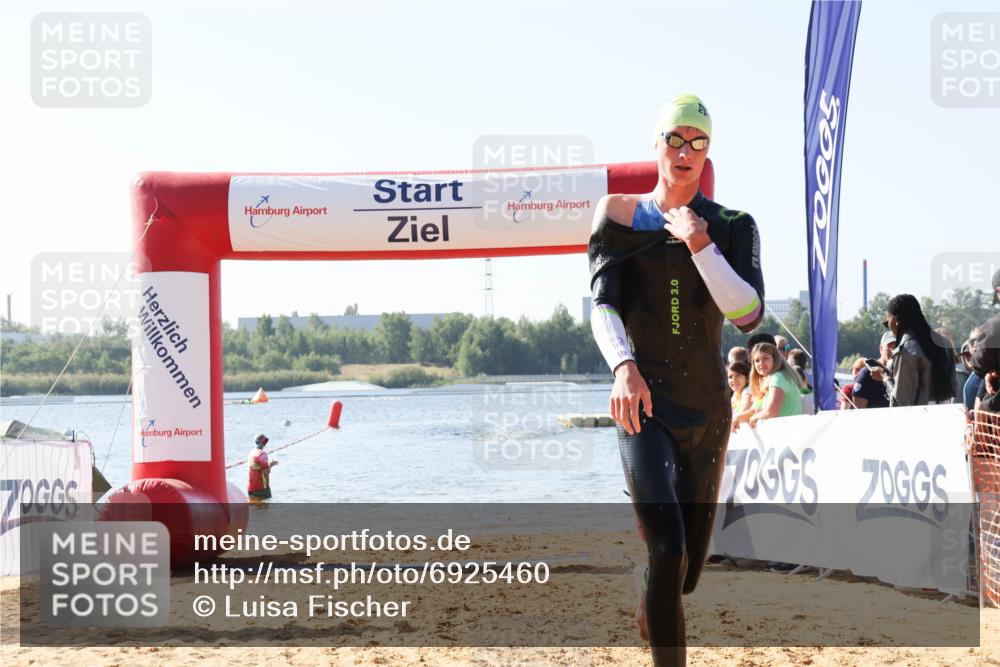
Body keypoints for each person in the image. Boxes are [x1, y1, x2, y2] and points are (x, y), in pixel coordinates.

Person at [589, 93, 764, 665]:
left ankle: (650, 588)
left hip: (708, 410)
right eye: (675, 139)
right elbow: (602, 303)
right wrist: (623, 366)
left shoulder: (732, 225)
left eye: (698, 142)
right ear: (657, 146)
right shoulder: (618, 214)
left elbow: (747, 315)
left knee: (685, 572)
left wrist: (699, 243)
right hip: (642, 402)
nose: (685, 151)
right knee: (666, 547)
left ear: (707, 153)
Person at [872, 294, 957, 406]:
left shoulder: (905, 350)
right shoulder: (943, 342)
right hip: (946, 412)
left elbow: (901, 402)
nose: (888, 324)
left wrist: (885, 378)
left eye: (888, 319)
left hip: (920, 417)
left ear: (896, 320)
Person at [747, 342, 802, 426]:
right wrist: (737, 418)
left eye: (766, 358)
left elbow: (770, 413)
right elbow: (754, 410)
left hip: (785, 433)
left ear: (775, 359)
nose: (761, 364)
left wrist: (753, 419)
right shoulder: (778, 377)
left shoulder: (778, 377)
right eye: (757, 361)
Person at [851, 331, 895, 409]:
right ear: (881, 349)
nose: (893, 350)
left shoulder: (901, 373)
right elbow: (858, 411)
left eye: (896, 346)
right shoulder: (866, 374)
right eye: (890, 346)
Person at [247, 433, 278, 500]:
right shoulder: (262, 454)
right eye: (264, 442)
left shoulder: (251, 453)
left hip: (251, 488)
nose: (264, 444)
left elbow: (257, 467)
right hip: (262, 489)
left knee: (255, 509)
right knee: (265, 509)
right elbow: (266, 471)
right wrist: (271, 464)